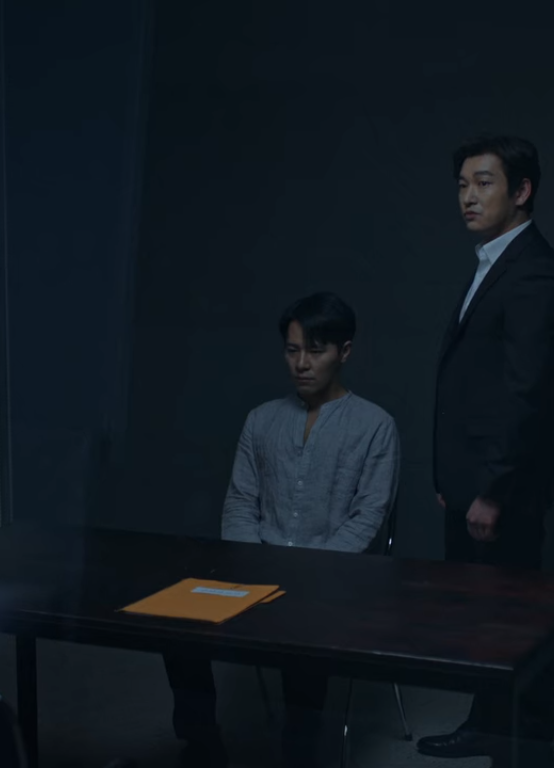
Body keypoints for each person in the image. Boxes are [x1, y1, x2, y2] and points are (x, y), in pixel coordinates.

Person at [163, 291, 402, 768]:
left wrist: (304, 575)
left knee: (304, 635)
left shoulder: (376, 426)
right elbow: (240, 503)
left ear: (344, 352)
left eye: (315, 350)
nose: (302, 363)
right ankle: (201, 743)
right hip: (254, 570)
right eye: (293, 350)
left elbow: (368, 519)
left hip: (332, 579)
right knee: (176, 625)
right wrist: (255, 567)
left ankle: (300, 751)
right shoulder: (261, 420)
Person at [419, 135, 554, 767]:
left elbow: (524, 393)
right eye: (462, 184)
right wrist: (453, 479)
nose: (468, 196)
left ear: (522, 191)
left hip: (502, 490)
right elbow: (474, 385)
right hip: (473, 481)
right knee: (482, 619)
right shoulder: (494, 261)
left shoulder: (535, 272)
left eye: (483, 183)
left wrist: (490, 490)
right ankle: (487, 726)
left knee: (514, 622)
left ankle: (528, 752)